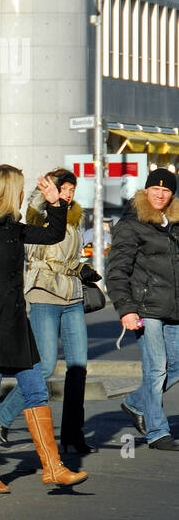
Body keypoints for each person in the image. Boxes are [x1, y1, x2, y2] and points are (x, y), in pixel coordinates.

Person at [0, 165, 88, 490]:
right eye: (18, 188)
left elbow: (52, 235)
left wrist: (54, 204)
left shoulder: (13, 227)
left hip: (16, 323)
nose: (21, 194)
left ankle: (53, 467)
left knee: (35, 389)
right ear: (6, 190)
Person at [0, 169, 99, 454]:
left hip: (73, 295)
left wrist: (82, 270)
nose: (69, 195)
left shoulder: (75, 217)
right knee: (46, 365)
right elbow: (38, 224)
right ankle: (2, 417)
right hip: (44, 294)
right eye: (64, 189)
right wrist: (47, 196)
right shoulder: (40, 213)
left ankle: (73, 434)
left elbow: (70, 256)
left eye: (72, 191)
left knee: (78, 366)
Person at [104, 168, 179, 451]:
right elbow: (117, 270)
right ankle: (158, 432)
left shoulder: (173, 222)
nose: (160, 195)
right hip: (145, 307)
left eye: (167, 190)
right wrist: (126, 309)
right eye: (156, 189)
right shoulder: (131, 223)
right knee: (156, 368)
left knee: (177, 364)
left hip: (174, 307)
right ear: (146, 190)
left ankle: (135, 402)